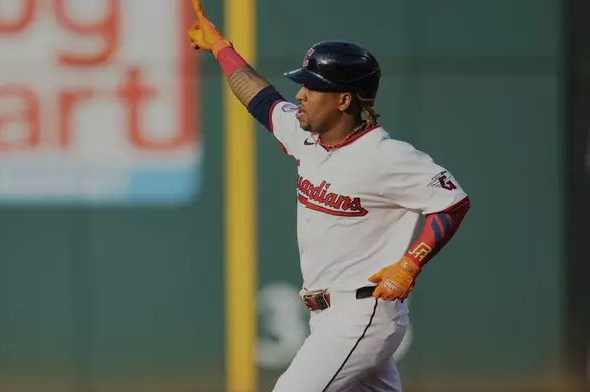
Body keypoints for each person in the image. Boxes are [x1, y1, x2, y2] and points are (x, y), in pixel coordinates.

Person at [187, 1, 471, 391]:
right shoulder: (308, 138)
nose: (301, 94)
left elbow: (451, 201)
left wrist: (411, 263)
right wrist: (221, 47)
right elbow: (261, 98)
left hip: (363, 312)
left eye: (314, 87)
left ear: (344, 100)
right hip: (327, 314)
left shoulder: (385, 156)